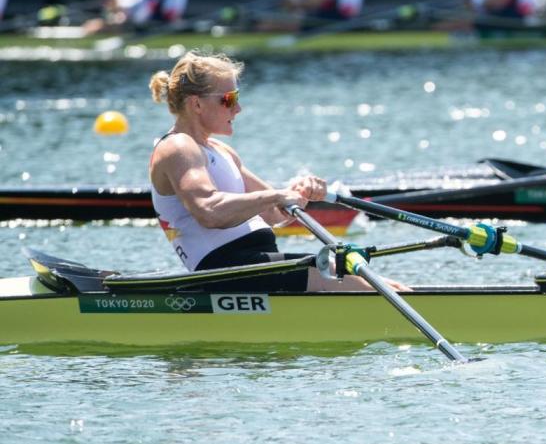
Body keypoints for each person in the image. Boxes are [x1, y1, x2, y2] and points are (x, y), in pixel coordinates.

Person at [147, 52, 381, 292]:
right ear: (196, 104)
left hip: (257, 266)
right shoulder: (178, 147)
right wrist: (277, 196)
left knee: (376, 282)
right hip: (224, 272)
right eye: (229, 99)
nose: (238, 108)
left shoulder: (220, 150)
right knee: (355, 283)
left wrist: (300, 191)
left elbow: (273, 213)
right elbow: (209, 211)